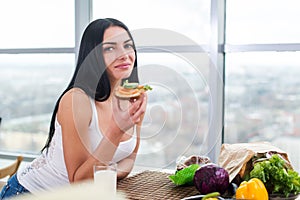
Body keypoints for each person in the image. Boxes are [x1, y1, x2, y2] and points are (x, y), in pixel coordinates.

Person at [0, 18, 147, 199]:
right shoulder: (76, 100)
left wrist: (103, 175)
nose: (124, 54)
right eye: (110, 48)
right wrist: (115, 132)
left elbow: (129, 160)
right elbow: (78, 181)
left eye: (127, 45)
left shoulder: (131, 98)